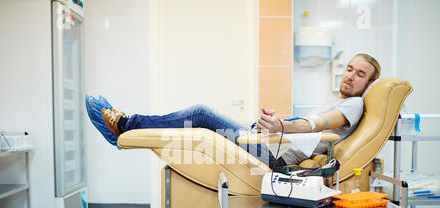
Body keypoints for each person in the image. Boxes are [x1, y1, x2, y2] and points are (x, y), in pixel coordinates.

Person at [86, 53, 381, 167]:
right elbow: (307, 125)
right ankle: (124, 130)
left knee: (201, 114)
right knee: (200, 120)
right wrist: (272, 125)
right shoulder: (342, 100)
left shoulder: (353, 104)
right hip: (267, 145)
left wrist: (280, 127)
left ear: (369, 83)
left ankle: (125, 125)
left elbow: (315, 124)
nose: (350, 76)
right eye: (349, 69)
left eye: (360, 74)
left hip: (272, 159)